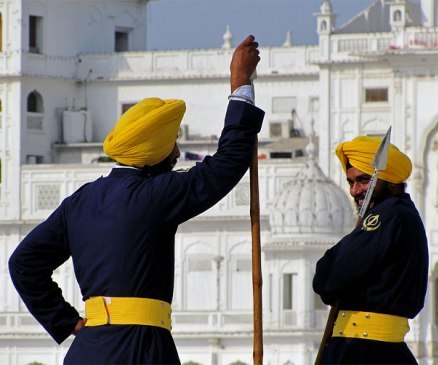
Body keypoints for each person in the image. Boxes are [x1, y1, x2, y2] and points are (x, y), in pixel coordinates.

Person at [9, 35, 264, 364]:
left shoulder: (80, 202)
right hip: (141, 349)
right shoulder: (154, 196)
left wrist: (65, 321)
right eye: (172, 143)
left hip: (87, 351)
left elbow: (23, 264)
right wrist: (240, 85)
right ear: (157, 150)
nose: (176, 152)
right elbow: (226, 164)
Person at [313, 136, 429, 364]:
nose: (355, 191)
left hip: (363, 351)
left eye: (364, 180)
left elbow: (328, 278)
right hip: (379, 350)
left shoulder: (386, 216)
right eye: (350, 182)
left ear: (390, 180)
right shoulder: (403, 214)